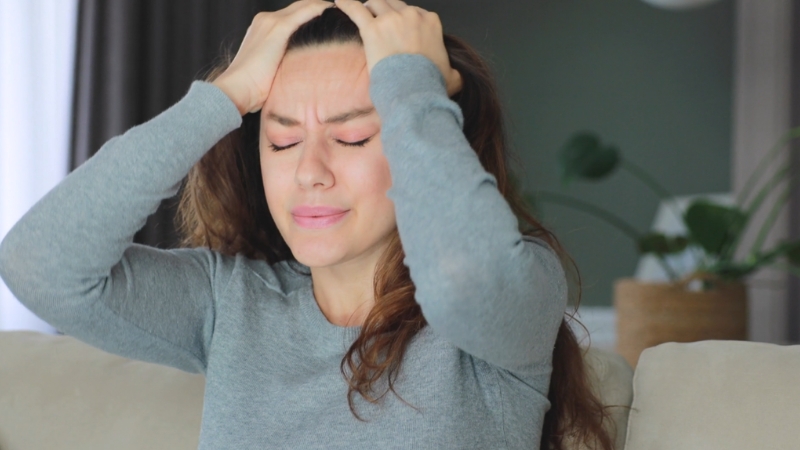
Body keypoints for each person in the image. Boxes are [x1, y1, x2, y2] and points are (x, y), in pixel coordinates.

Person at [0, 0, 613, 448]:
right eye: (283, 140)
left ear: (421, 135)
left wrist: (413, 86)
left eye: (353, 135)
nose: (310, 172)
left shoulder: (514, 295)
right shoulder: (228, 303)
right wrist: (226, 94)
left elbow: (459, 279)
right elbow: (40, 266)